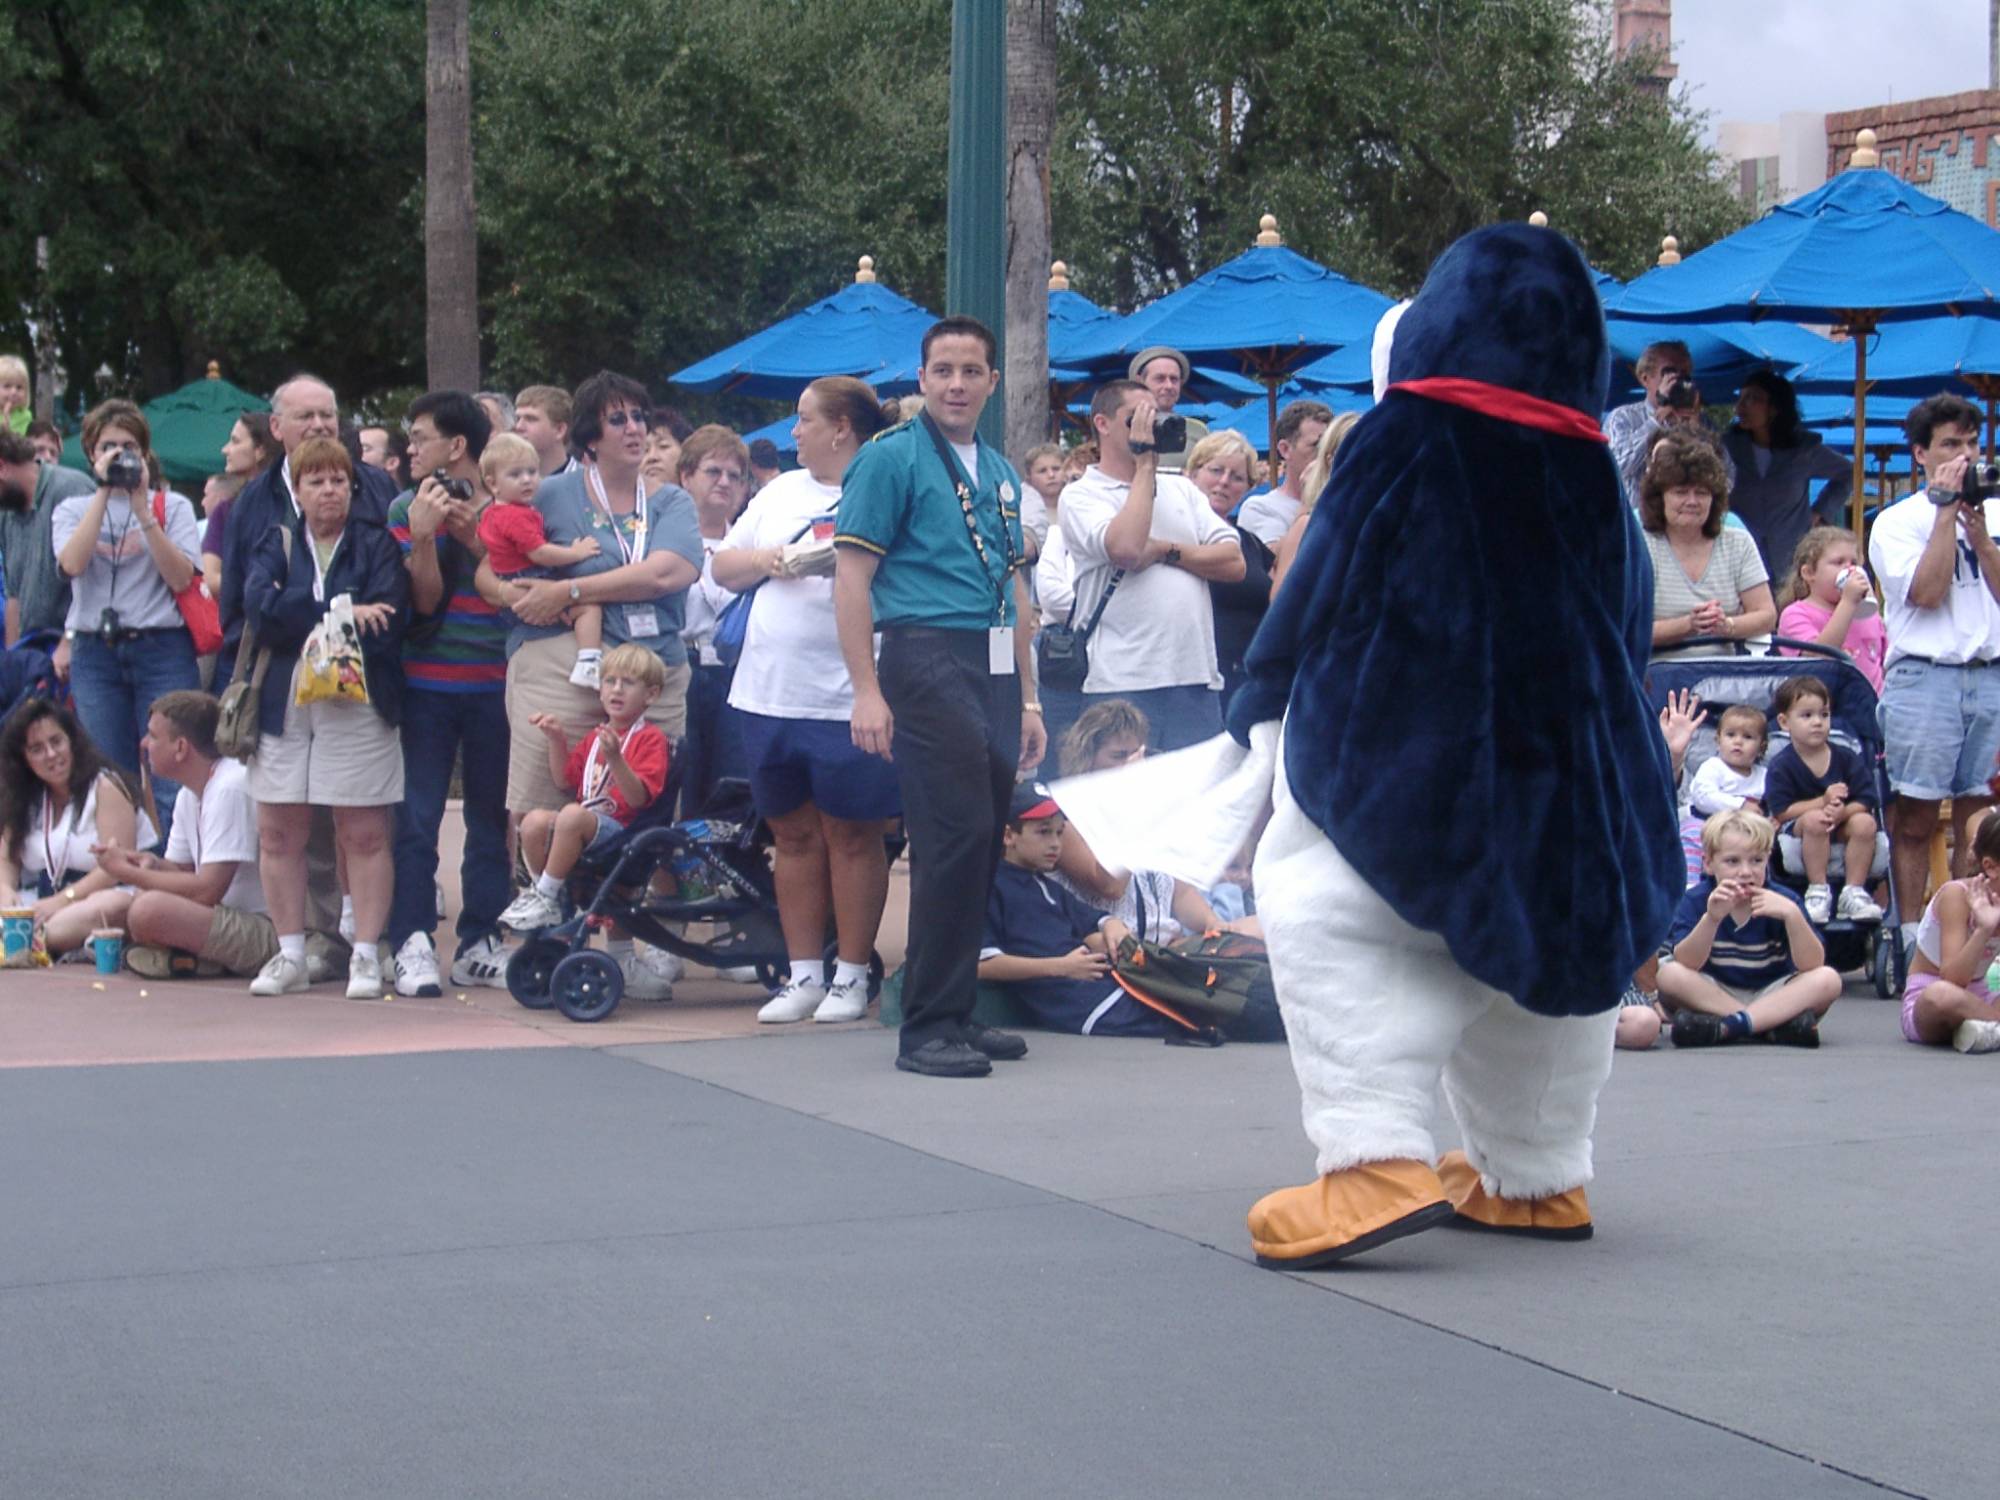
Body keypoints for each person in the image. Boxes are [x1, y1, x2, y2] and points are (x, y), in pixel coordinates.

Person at [1061, 226, 1684, 1264]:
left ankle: (1373, 1158)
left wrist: (1259, 697)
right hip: (1569, 774)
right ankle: (1534, 1174)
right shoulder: (1594, 474)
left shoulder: (1403, 438)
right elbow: (1627, 622)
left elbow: (1318, 584)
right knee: (1543, 967)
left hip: (1402, 750)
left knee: (1342, 925)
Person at [833, 314, 1045, 1077]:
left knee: (986, 834)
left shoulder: (999, 469)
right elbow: (851, 578)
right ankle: (924, 1026)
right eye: (943, 370)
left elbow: (1012, 589)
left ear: (992, 381)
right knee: (953, 831)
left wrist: (1028, 701)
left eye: (971, 371)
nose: (957, 384)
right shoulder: (890, 460)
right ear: (921, 380)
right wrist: (866, 690)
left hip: (989, 657)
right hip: (923, 650)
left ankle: (956, 1008)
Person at [486, 368, 700, 999]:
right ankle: (549, 937)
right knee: (544, 807)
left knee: (642, 812)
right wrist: (513, 593)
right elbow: (490, 563)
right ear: (587, 436)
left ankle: (628, 945)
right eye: (618, 419)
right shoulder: (548, 494)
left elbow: (668, 573)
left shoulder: (670, 502)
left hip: (650, 664)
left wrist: (571, 588)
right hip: (561, 661)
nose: (635, 429)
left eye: (640, 417)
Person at [714, 378, 898, 1024]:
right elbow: (724, 569)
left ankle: (851, 974)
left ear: (842, 427)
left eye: (804, 420)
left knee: (852, 833)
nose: (793, 433)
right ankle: (802, 975)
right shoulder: (782, 492)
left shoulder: (884, 484)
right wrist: (775, 558)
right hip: (769, 691)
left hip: (847, 694)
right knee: (791, 834)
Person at [241, 436, 408, 1000]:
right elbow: (259, 613)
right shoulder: (276, 540)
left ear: (352, 485)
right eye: (316, 480)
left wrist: (309, 616)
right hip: (285, 698)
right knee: (278, 830)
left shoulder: (375, 544)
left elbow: (387, 614)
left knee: (361, 830)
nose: (329, 489)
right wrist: (338, 611)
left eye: (338, 479)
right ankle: (290, 952)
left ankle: (365, 951)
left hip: (356, 698)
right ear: (298, 489)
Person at [383, 391, 514, 997]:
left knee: (492, 818)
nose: (410, 448)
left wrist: (473, 539)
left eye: (419, 437)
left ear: (456, 446)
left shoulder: (510, 506)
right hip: (425, 687)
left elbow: (515, 588)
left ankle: (480, 939)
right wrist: (426, 537)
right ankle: (410, 939)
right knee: (417, 817)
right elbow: (425, 602)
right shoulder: (406, 506)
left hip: (496, 685)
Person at [1868, 393, 2000, 959]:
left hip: (1989, 671)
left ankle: (1975, 929)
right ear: (1920, 453)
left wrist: (1982, 536)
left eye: (1972, 444)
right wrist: (1946, 510)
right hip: (1926, 675)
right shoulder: (1896, 521)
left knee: (1982, 816)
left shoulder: (1993, 510)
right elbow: (1924, 593)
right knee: (1918, 814)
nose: (1964, 455)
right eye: (1950, 445)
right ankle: (1909, 934)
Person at [1059, 379, 1245, 751]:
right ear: (1102, 424)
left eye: (1154, 419)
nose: (1148, 428)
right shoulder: (1081, 495)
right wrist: (1145, 467)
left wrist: (1164, 550)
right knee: (1129, 804)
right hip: (1122, 681)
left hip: (1196, 680)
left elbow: (1234, 563)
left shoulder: (1182, 489)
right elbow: (1126, 548)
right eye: (1136, 420)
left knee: (1199, 805)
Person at [52, 399, 204, 817]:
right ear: (91, 454)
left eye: (128, 446)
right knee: (110, 773)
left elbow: (180, 578)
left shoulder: (172, 507)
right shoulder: (71, 509)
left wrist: (142, 510)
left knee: (174, 768)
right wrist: (103, 491)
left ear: (145, 452)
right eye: (108, 447)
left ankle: (180, 870)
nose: (119, 455)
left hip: (161, 647)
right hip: (96, 652)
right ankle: (124, 869)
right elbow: (72, 563)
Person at [93, 690, 278, 980]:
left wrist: (127, 875)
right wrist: (145, 863)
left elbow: (207, 890)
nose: (143, 743)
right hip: (223, 916)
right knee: (146, 896)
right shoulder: (189, 792)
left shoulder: (229, 786)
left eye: (153, 737)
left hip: (266, 929)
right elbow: (181, 870)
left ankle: (192, 959)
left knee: (148, 909)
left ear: (180, 748)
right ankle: (198, 961)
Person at [500, 644, 671, 934]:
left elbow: (638, 798)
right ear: (600, 689)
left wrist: (616, 759)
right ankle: (554, 900)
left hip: (625, 832)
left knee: (571, 815)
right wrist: (556, 740)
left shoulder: (650, 739)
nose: (616, 690)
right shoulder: (596, 736)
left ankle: (546, 894)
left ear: (650, 695)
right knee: (533, 822)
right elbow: (565, 781)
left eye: (628, 683)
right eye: (609, 681)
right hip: (588, 826)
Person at [978, 781, 1160, 1036]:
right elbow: (983, 964)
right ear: (1008, 836)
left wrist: (1112, 925)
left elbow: (1092, 922)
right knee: (1191, 1016)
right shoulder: (990, 886)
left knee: (1195, 1001)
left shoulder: (1047, 887)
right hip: (1079, 1007)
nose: (1055, 844)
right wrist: (1061, 967)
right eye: (1044, 832)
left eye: (1059, 832)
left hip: (1108, 988)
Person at [1655, 809, 1841, 1048]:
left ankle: (1731, 1026)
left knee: (1828, 979)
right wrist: (1711, 919)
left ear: (1767, 860)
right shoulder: (1696, 900)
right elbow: (1686, 962)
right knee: (1669, 974)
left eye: (1756, 861)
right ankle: (1766, 1025)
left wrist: (1792, 917)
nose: (1745, 872)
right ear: (1709, 864)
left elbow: (1812, 964)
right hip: (1713, 994)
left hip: (1772, 993)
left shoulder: (1785, 900)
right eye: (1732, 861)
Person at [0, 696, 154, 956]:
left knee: (101, 909)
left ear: (72, 740)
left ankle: (25, 943)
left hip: (105, 895)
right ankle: (28, 942)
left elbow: (117, 870)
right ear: (23, 758)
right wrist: (5, 889)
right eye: (36, 749)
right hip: (41, 902)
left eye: (56, 741)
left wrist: (60, 902)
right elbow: (7, 859)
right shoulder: (22, 795)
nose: (51, 754)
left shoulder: (105, 786)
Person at [479, 431, 604, 689]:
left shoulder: (491, 513)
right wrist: (576, 552)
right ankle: (589, 662)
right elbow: (540, 553)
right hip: (531, 578)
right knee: (588, 606)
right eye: (515, 475)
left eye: (532, 472)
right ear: (492, 484)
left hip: (509, 584)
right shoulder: (516, 516)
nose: (527, 480)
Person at [1639, 430, 1776, 658]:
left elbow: (1766, 615)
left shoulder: (1738, 542)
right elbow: (1626, 627)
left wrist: (1727, 626)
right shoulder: (1641, 545)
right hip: (1655, 677)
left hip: (1724, 678)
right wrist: (1688, 625)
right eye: (1681, 492)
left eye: (1701, 493)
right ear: (1659, 497)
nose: (1692, 501)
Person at [1763, 675, 1884, 925]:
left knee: (1865, 823)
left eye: (1824, 714)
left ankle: (1853, 892)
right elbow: (1782, 811)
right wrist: (1823, 802)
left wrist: (1843, 813)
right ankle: (1818, 889)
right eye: (1807, 716)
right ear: (1785, 722)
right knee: (1816, 820)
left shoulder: (1847, 757)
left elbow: (1866, 797)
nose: (1817, 722)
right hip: (1798, 827)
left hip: (1842, 823)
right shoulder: (1781, 765)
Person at [675, 425, 750, 816]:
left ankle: (726, 874)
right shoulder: (661, 538)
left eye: (734, 476)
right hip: (681, 666)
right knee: (682, 782)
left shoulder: (751, 543)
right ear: (685, 476)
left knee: (732, 786)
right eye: (714, 472)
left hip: (735, 671)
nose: (725, 483)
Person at [1723, 370, 1853, 578]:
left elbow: (1848, 472)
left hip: (1791, 557)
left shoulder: (1803, 450)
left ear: (1774, 408)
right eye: (1741, 398)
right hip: (1740, 555)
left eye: (1753, 398)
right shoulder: (1728, 447)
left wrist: (1821, 510)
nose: (1741, 407)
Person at [1898, 809, 2000, 1051]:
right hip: (1933, 998)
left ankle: (1984, 1029)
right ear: (1991, 866)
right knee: (1942, 995)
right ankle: (1989, 1024)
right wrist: (1984, 929)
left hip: (1984, 997)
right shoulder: (1957, 896)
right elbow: (1953, 979)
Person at [1186, 430, 1273, 707]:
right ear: (1193, 473)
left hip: (1247, 682)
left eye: (1237, 477)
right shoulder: (1178, 534)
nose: (1224, 482)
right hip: (1195, 684)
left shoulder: (1251, 544)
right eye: (1216, 470)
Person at [0, 429, 95, 662]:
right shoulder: (7, 512)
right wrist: (15, 662)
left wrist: (68, 642)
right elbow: (14, 597)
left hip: (81, 648)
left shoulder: (71, 490)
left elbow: (94, 581)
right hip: (34, 651)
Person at [1604, 339, 1736, 500]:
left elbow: (1727, 480)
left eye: (1684, 374)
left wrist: (1697, 432)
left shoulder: (1702, 423)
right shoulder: (1623, 417)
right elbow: (1616, 467)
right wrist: (1655, 422)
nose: (1678, 380)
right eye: (1669, 373)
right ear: (1645, 378)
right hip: (1637, 519)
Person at [1776, 525, 1887, 693]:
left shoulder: (1869, 616)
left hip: (1871, 708)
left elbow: (1885, 662)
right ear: (1809, 573)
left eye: (1854, 563)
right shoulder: (1796, 614)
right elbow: (1819, 659)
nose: (1850, 569)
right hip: (1826, 710)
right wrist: (1848, 602)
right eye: (1839, 562)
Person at [1235, 400, 1333, 546]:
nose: (1327, 455)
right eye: (1316, 446)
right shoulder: (1261, 508)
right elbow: (1278, 566)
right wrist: (1308, 501)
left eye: (1331, 445)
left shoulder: (1338, 503)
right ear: (1285, 449)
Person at [1125, 345, 1210, 473]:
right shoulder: (1122, 426)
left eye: (1174, 379)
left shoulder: (1197, 430)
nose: (1169, 385)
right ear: (1139, 382)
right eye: (1160, 379)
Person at [514, 385, 575, 477]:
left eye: (531, 419)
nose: (519, 426)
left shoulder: (587, 483)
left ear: (560, 430)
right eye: (518, 418)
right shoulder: (504, 483)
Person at [0, 354, 30, 436]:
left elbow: (18, 443)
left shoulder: (25, 416)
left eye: (19, 387)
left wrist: (6, 419)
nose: (14, 392)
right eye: (7, 386)